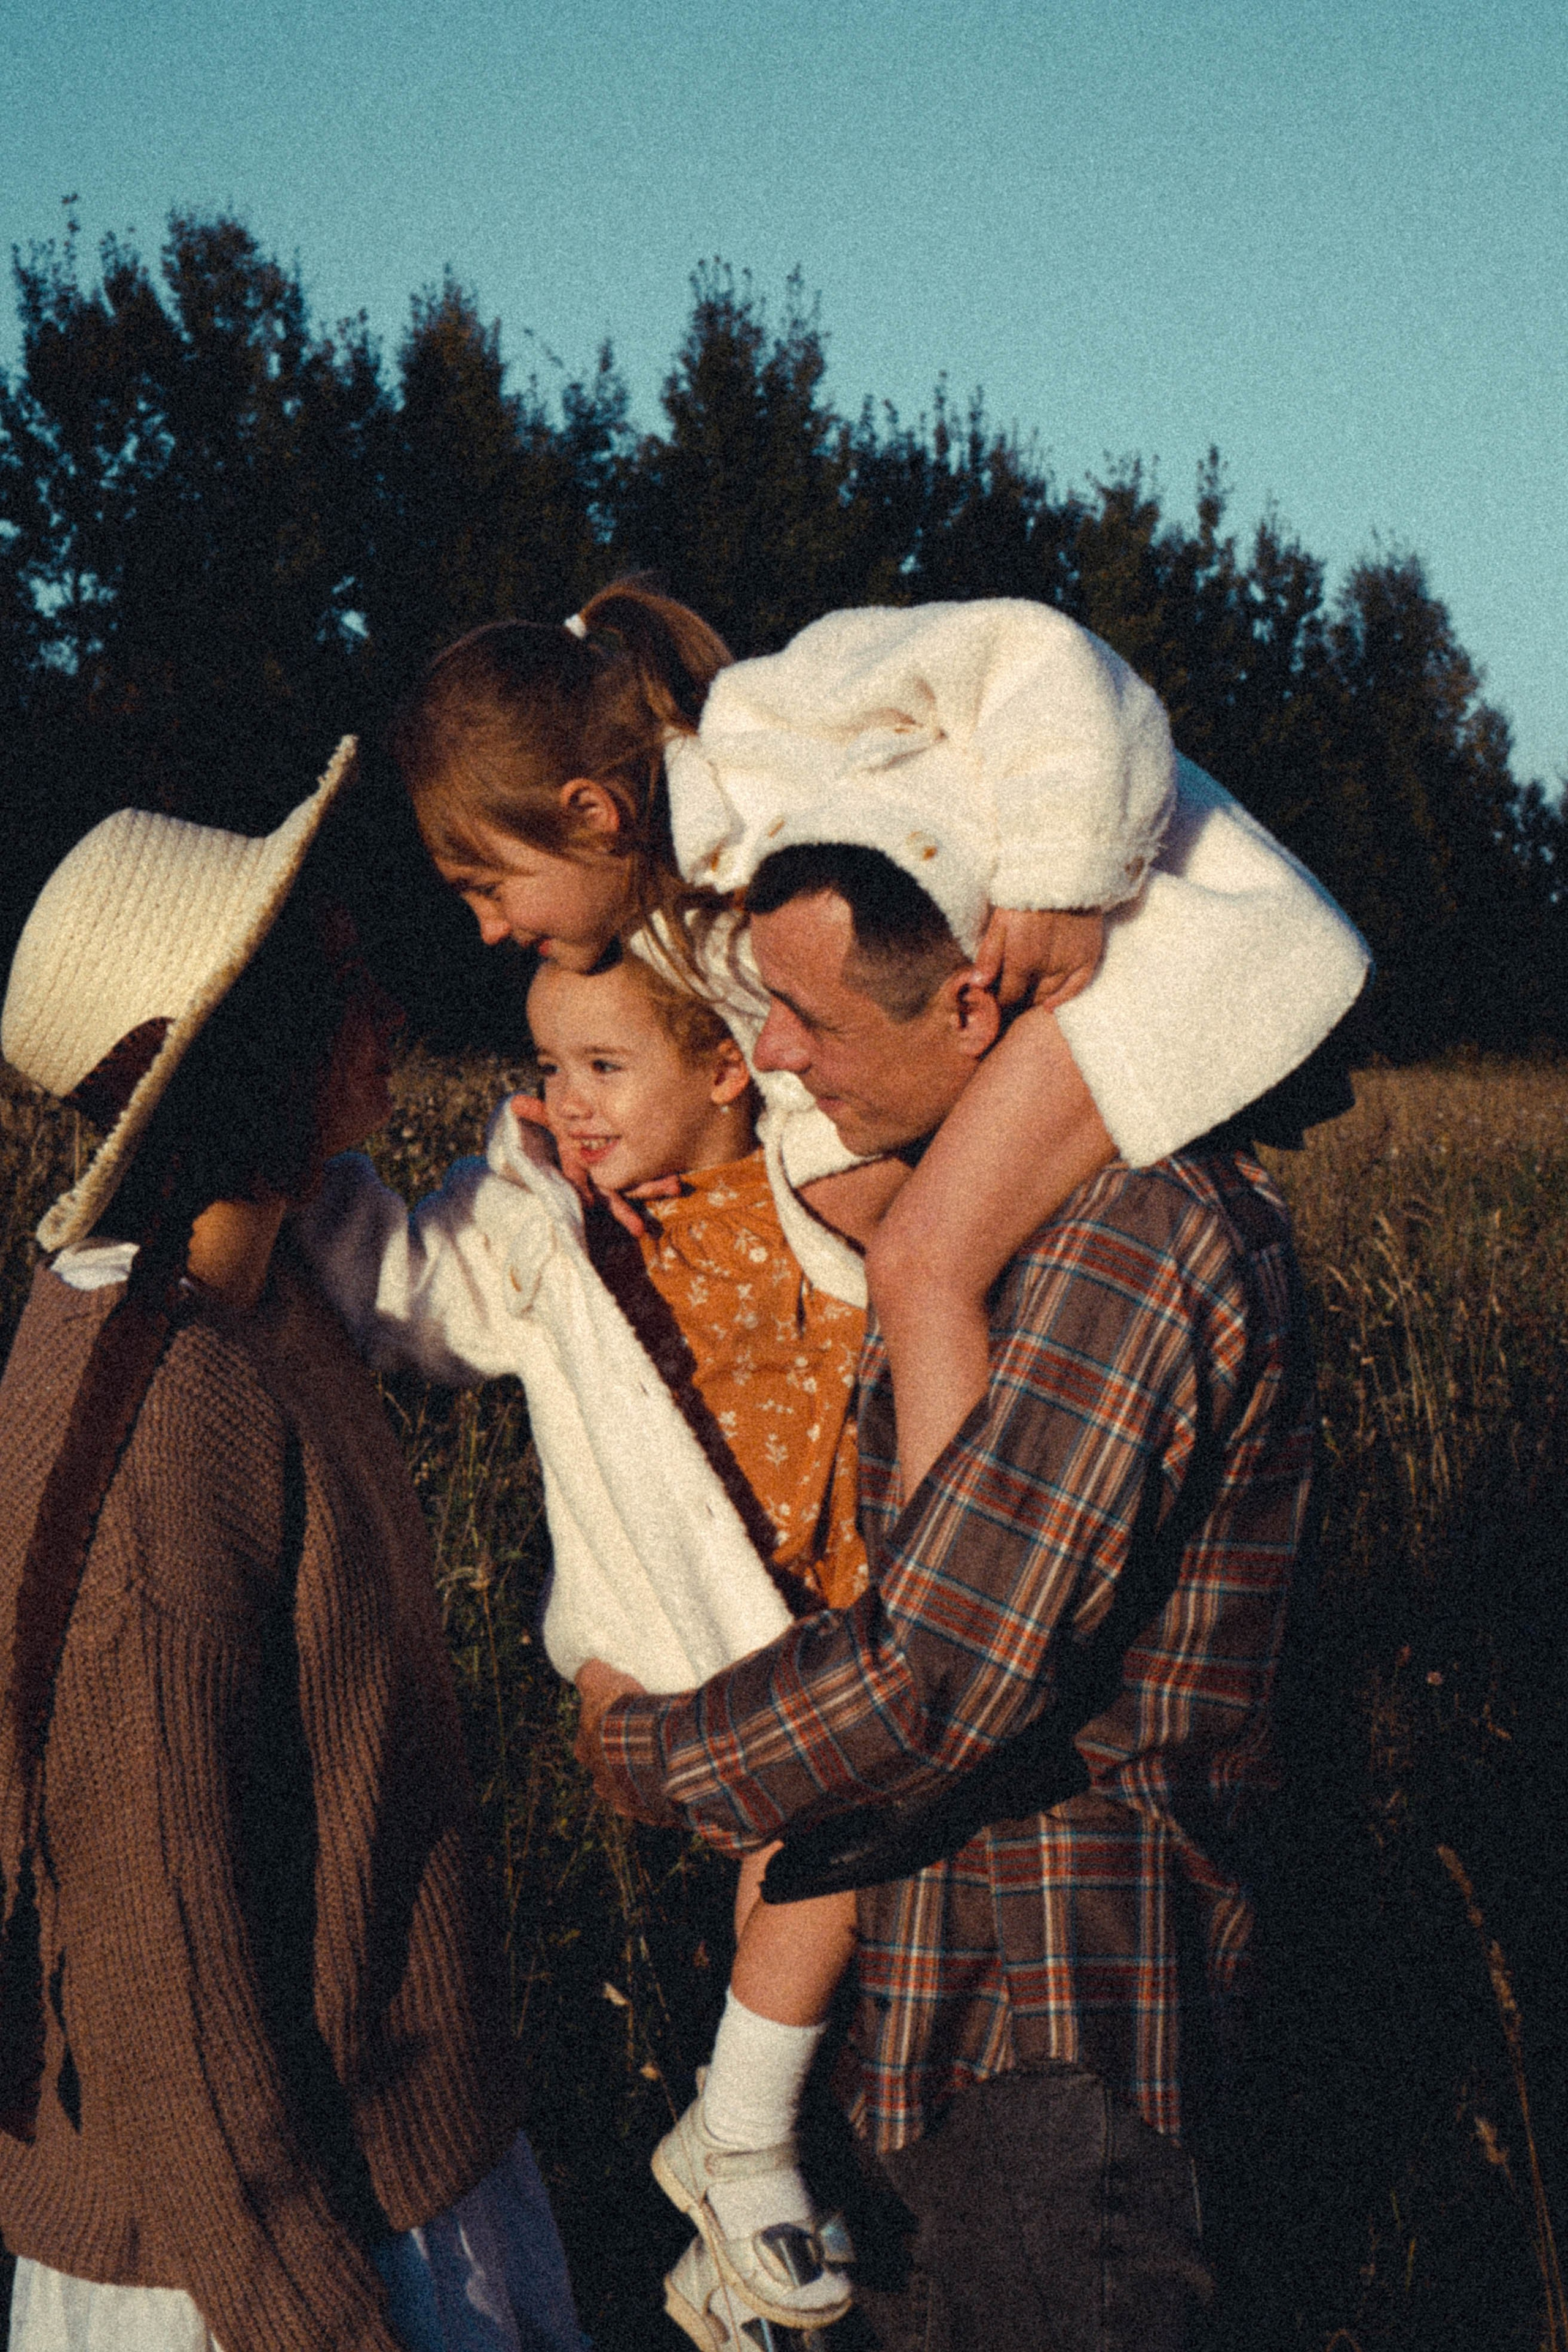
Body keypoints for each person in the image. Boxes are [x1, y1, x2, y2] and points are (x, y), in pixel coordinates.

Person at [572, 839, 1321, 2351]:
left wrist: (640, 1748)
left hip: (1059, 2059)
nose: (772, 1055)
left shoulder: (1132, 1237)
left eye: (815, 1022)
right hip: (927, 2034)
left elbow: (936, 1678)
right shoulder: (978, 1223)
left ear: (974, 1008)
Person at [0, 749, 585, 2352]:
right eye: (335, 985)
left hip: (404, 2183)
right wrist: (318, 2322)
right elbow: (162, 1971)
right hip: (249, 2270)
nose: (384, 1008)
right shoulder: (153, 1432)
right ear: (241, 1053)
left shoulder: (265, 1294)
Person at [394, 582, 1368, 1502]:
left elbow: (1035, 655)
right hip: (1025, 1000)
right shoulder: (671, 918)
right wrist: (636, 1144)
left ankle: (945, 1633)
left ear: (588, 812)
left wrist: (1060, 875)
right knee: (841, 1190)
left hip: (1146, 948)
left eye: (487, 886)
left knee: (923, 1264)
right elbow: (781, 1087)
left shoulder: (769, 713)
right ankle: (1018, 1477)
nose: (487, 928)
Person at [300, 944, 874, 2343]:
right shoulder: (545, 1217)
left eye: (606, 1067)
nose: (569, 1101)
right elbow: (408, 1297)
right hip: (695, 1634)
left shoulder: (814, 1169)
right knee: (841, 1858)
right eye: (550, 1067)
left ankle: (731, 2257)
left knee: (803, 1913)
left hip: (837, 1605)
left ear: (733, 1064)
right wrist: (308, 1167)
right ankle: (734, 2141)